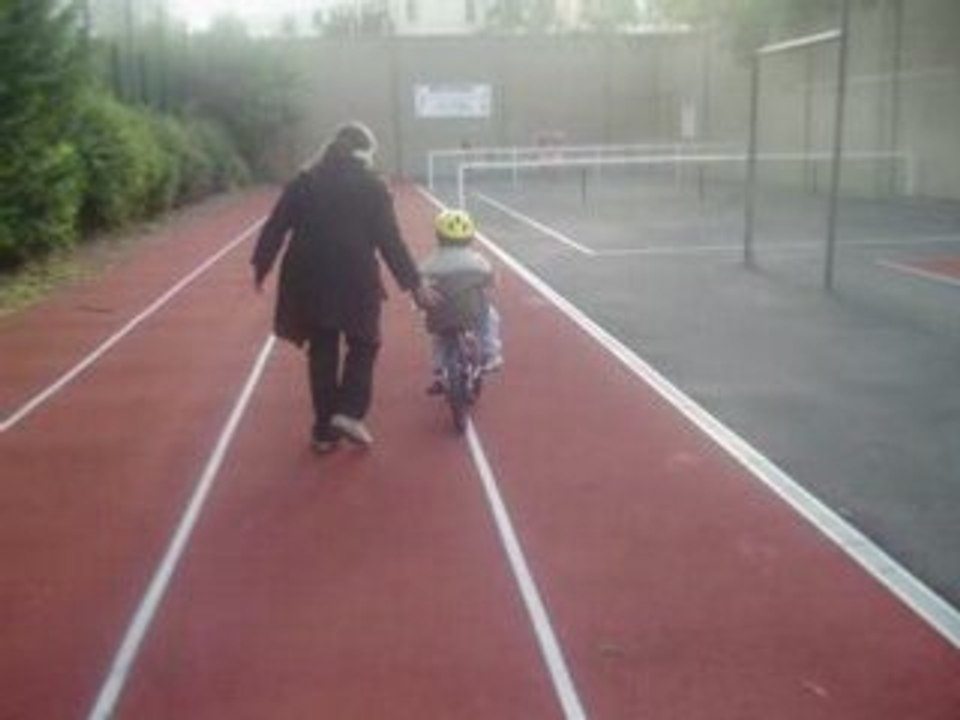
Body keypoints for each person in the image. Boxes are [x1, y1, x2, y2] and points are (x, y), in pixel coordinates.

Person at [251, 122, 435, 453]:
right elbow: (390, 240)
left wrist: (261, 266)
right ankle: (349, 412)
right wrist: (414, 283)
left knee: (322, 349)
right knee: (364, 341)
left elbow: (275, 226)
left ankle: (324, 432)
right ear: (365, 153)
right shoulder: (372, 186)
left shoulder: (305, 181)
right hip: (355, 276)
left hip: (308, 276)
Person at [420, 209, 503, 395]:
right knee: (491, 317)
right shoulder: (478, 261)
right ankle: (491, 354)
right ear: (470, 237)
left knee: (439, 338)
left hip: (440, 315)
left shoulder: (430, 262)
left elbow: (420, 281)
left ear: (439, 237)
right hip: (472, 312)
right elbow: (491, 281)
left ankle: (439, 372)